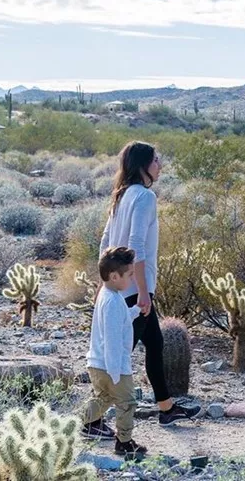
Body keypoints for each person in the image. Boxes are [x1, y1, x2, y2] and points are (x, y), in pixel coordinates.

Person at [97, 141, 201, 430]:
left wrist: (106, 282)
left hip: (120, 285)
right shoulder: (143, 197)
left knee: (155, 344)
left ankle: (166, 407)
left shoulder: (121, 196)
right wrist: (143, 291)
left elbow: (105, 244)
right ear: (144, 165)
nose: (160, 165)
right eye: (156, 160)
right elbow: (137, 247)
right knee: (120, 353)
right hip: (133, 290)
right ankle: (92, 417)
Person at [82, 247, 148, 457]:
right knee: (127, 402)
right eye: (129, 275)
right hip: (112, 365)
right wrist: (116, 371)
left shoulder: (108, 294)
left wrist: (136, 311)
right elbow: (111, 338)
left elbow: (119, 321)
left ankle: (75, 420)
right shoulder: (112, 301)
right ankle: (124, 442)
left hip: (97, 363)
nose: (131, 279)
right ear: (114, 276)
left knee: (103, 398)